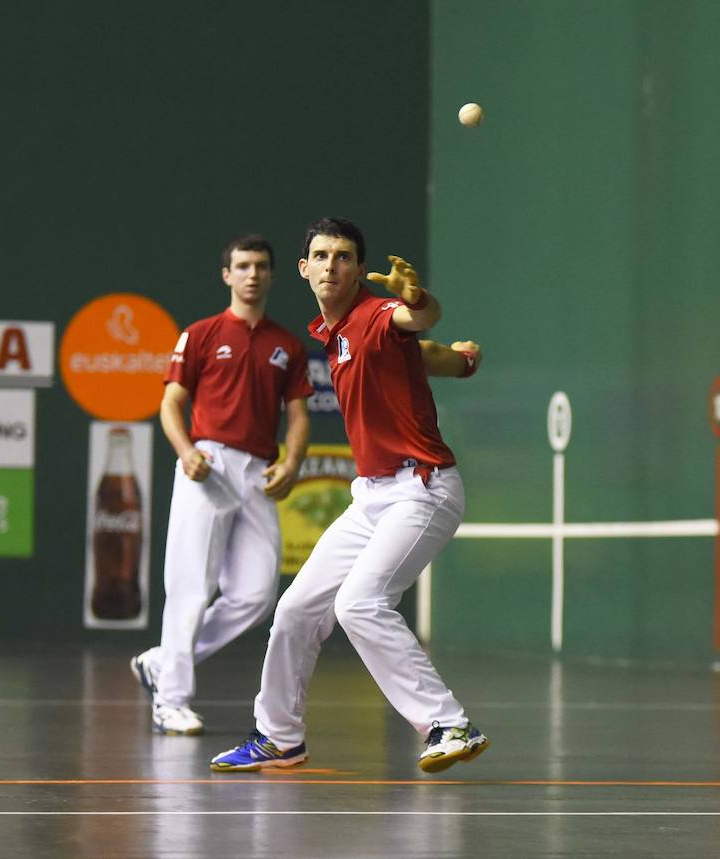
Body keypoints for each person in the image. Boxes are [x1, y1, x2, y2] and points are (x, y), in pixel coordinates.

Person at [210, 217, 486, 774]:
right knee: (293, 610)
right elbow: (424, 354)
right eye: (321, 255)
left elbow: (417, 319)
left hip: (422, 488)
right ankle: (278, 737)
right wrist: (464, 361)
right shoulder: (334, 334)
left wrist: (419, 298)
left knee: (359, 603)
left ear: (360, 270)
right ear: (304, 269)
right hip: (372, 498)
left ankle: (447, 722)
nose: (331, 265)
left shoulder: (377, 314)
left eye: (343, 256)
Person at [131, 233, 312, 735]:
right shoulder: (202, 333)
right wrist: (186, 452)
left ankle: (161, 661)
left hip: (258, 471)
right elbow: (171, 403)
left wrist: (293, 461)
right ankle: (171, 699)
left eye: (261, 266)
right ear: (227, 275)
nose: (252, 274)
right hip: (207, 463)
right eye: (243, 266)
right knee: (190, 586)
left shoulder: (287, 345)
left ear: (273, 275)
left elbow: (297, 415)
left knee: (256, 595)